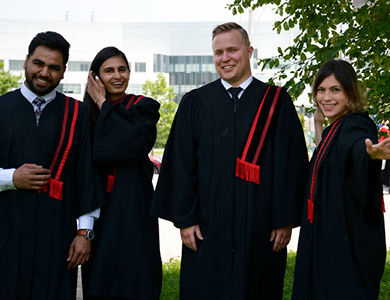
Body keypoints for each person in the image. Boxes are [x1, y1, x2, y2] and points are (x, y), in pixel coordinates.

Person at [150, 22, 308, 300]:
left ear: (249, 51)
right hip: (207, 228)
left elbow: (291, 165)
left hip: (261, 228)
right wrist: (185, 220)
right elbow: (181, 164)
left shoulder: (276, 103)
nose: (225, 58)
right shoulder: (196, 102)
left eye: (232, 50)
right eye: (219, 52)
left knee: (258, 288)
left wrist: (284, 220)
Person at [0, 31, 103, 300]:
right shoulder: (1, 108)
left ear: (63, 72)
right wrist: (12, 178)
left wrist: (84, 233)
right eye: (38, 63)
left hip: (56, 237)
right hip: (6, 234)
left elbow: (86, 176)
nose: (44, 72)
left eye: (53, 67)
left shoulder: (76, 114)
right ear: (25, 62)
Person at [292, 59, 387, 300]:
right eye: (321, 90)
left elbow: (353, 146)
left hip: (345, 239)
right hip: (327, 232)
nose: (326, 97)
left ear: (350, 92)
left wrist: (369, 154)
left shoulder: (356, 124)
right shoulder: (336, 126)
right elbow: (329, 157)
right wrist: (317, 124)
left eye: (336, 90)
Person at [81, 46, 162, 300]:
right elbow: (97, 153)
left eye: (122, 69)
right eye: (108, 71)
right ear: (96, 77)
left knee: (138, 277)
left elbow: (132, 144)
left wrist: (103, 103)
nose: (117, 76)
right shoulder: (84, 117)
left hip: (134, 208)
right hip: (99, 209)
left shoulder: (144, 108)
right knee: (100, 277)